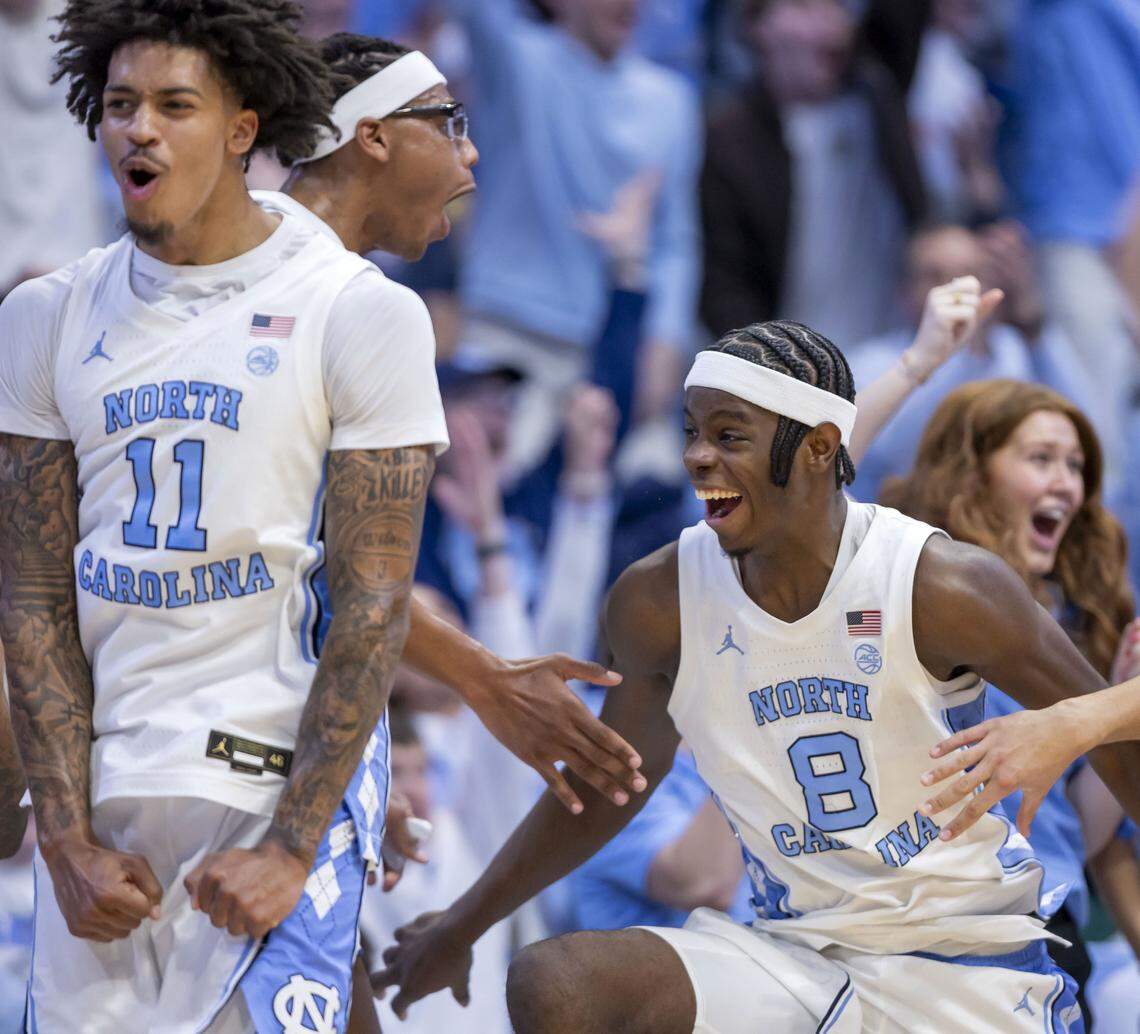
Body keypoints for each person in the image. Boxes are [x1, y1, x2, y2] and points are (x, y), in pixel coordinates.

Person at [377, 319, 1140, 1033]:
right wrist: (461, 925)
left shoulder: (940, 583)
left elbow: (1117, 735)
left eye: (729, 435)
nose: (697, 457)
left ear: (818, 448)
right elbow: (610, 783)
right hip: (798, 955)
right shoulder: (660, 599)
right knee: (556, 981)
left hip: (965, 963)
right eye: (692, 432)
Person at [0, 2, 440, 1029]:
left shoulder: (355, 308)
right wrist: (63, 838)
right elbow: (32, 596)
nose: (139, 130)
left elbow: (372, 605)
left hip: (267, 783)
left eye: (174, 106)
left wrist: (292, 844)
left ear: (243, 128)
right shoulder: (44, 315)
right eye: (120, 105)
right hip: (109, 799)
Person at [880, 378, 1140, 1016]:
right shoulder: (898, 590)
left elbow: (1081, 830)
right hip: (914, 920)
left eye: (1075, 466)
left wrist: (1113, 713)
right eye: (1042, 459)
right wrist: (916, 365)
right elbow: (798, 520)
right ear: (972, 473)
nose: (1068, 484)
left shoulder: (1076, 625)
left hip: (1042, 927)